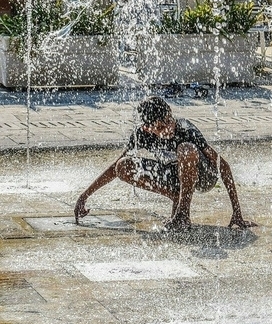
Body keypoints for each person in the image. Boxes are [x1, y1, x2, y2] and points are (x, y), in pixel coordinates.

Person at [74, 96, 256, 231]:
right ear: (147, 128)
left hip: (204, 176)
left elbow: (223, 166)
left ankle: (182, 214)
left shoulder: (185, 130)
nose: (168, 129)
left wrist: (237, 213)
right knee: (123, 165)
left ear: (170, 113)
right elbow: (114, 169)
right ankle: (175, 196)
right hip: (174, 175)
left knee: (186, 149)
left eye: (169, 121)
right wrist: (84, 196)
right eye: (160, 127)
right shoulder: (141, 135)